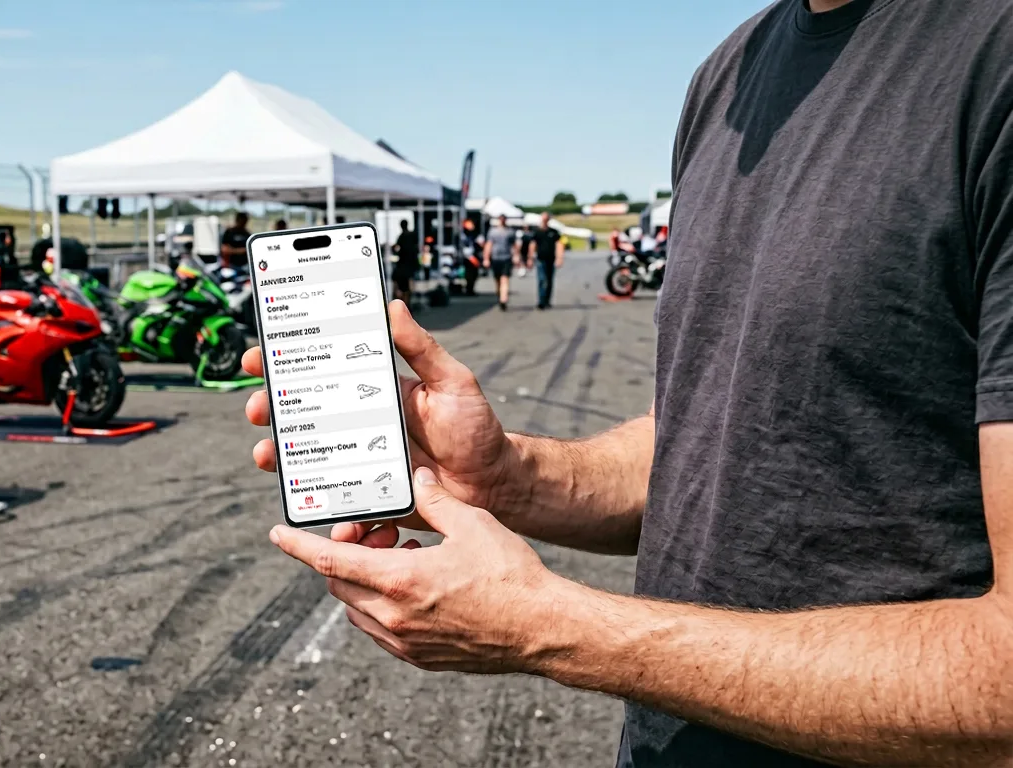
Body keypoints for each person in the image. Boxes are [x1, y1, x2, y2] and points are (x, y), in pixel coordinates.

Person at [243, 1, 1013, 766]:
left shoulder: (988, 55)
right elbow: (715, 443)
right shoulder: (729, 79)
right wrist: (507, 475)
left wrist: (551, 627)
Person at [526, 212, 565, 310]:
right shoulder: (537, 232)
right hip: (540, 259)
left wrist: (559, 258)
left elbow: (559, 244)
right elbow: (532, 245)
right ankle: (541, 300)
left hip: (551, 259)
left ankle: (547, 300)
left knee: (549, 280)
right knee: (542, 279)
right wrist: (530, 258)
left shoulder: (553, 232)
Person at [482, 214, 517, 310]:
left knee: (504, 279)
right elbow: (488, 245)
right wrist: (486, 258)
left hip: (506, 257)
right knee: (497, 280)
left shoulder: (510, 232)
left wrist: (516, 256)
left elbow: (514, 245)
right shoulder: (493, 232)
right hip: (495, 258)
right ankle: (500, 295)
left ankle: (503, 299)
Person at [390, 219, 420, 306]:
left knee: (401, 285)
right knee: (408, 286)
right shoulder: (412, 235)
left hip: (403, 264)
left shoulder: (402, 236)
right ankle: (407, 304)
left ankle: (403, 304)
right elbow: (416, 247)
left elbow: (396, 248)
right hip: (411, 264)